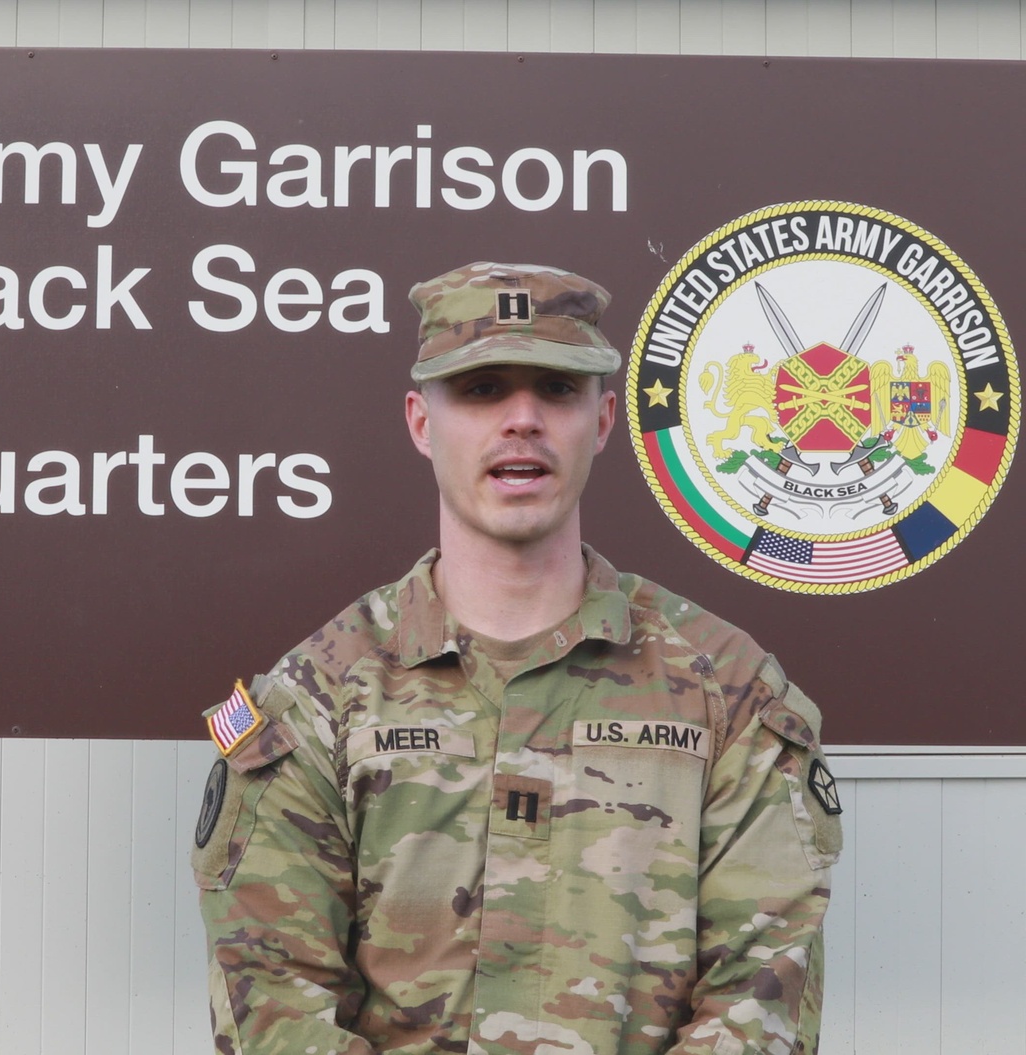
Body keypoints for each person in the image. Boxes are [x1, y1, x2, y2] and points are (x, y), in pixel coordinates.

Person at [191, 262, 842, 1055]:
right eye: (482, 389)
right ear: (421, 421)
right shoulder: (322, 694)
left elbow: (762, 986)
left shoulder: (724, 688)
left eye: (557, 389)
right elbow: (274, 993)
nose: (523, 419)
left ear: (602, 421)